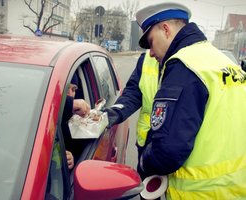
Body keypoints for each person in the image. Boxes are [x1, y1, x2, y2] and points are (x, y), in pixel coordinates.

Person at [105, 2, 246, 199]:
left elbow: (169, 151)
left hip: (200, 190)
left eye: (151, 41)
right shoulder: (221, 61)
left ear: (166, 29)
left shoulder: (185, 65)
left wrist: (145, 163)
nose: (151, 52)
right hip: (235, 186)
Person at [62, 73, 91, 165]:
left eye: (73, 89)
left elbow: (82, 151)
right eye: (65, 88)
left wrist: (72, 158)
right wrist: (70, 104)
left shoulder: (78, 118)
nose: (70, 94)